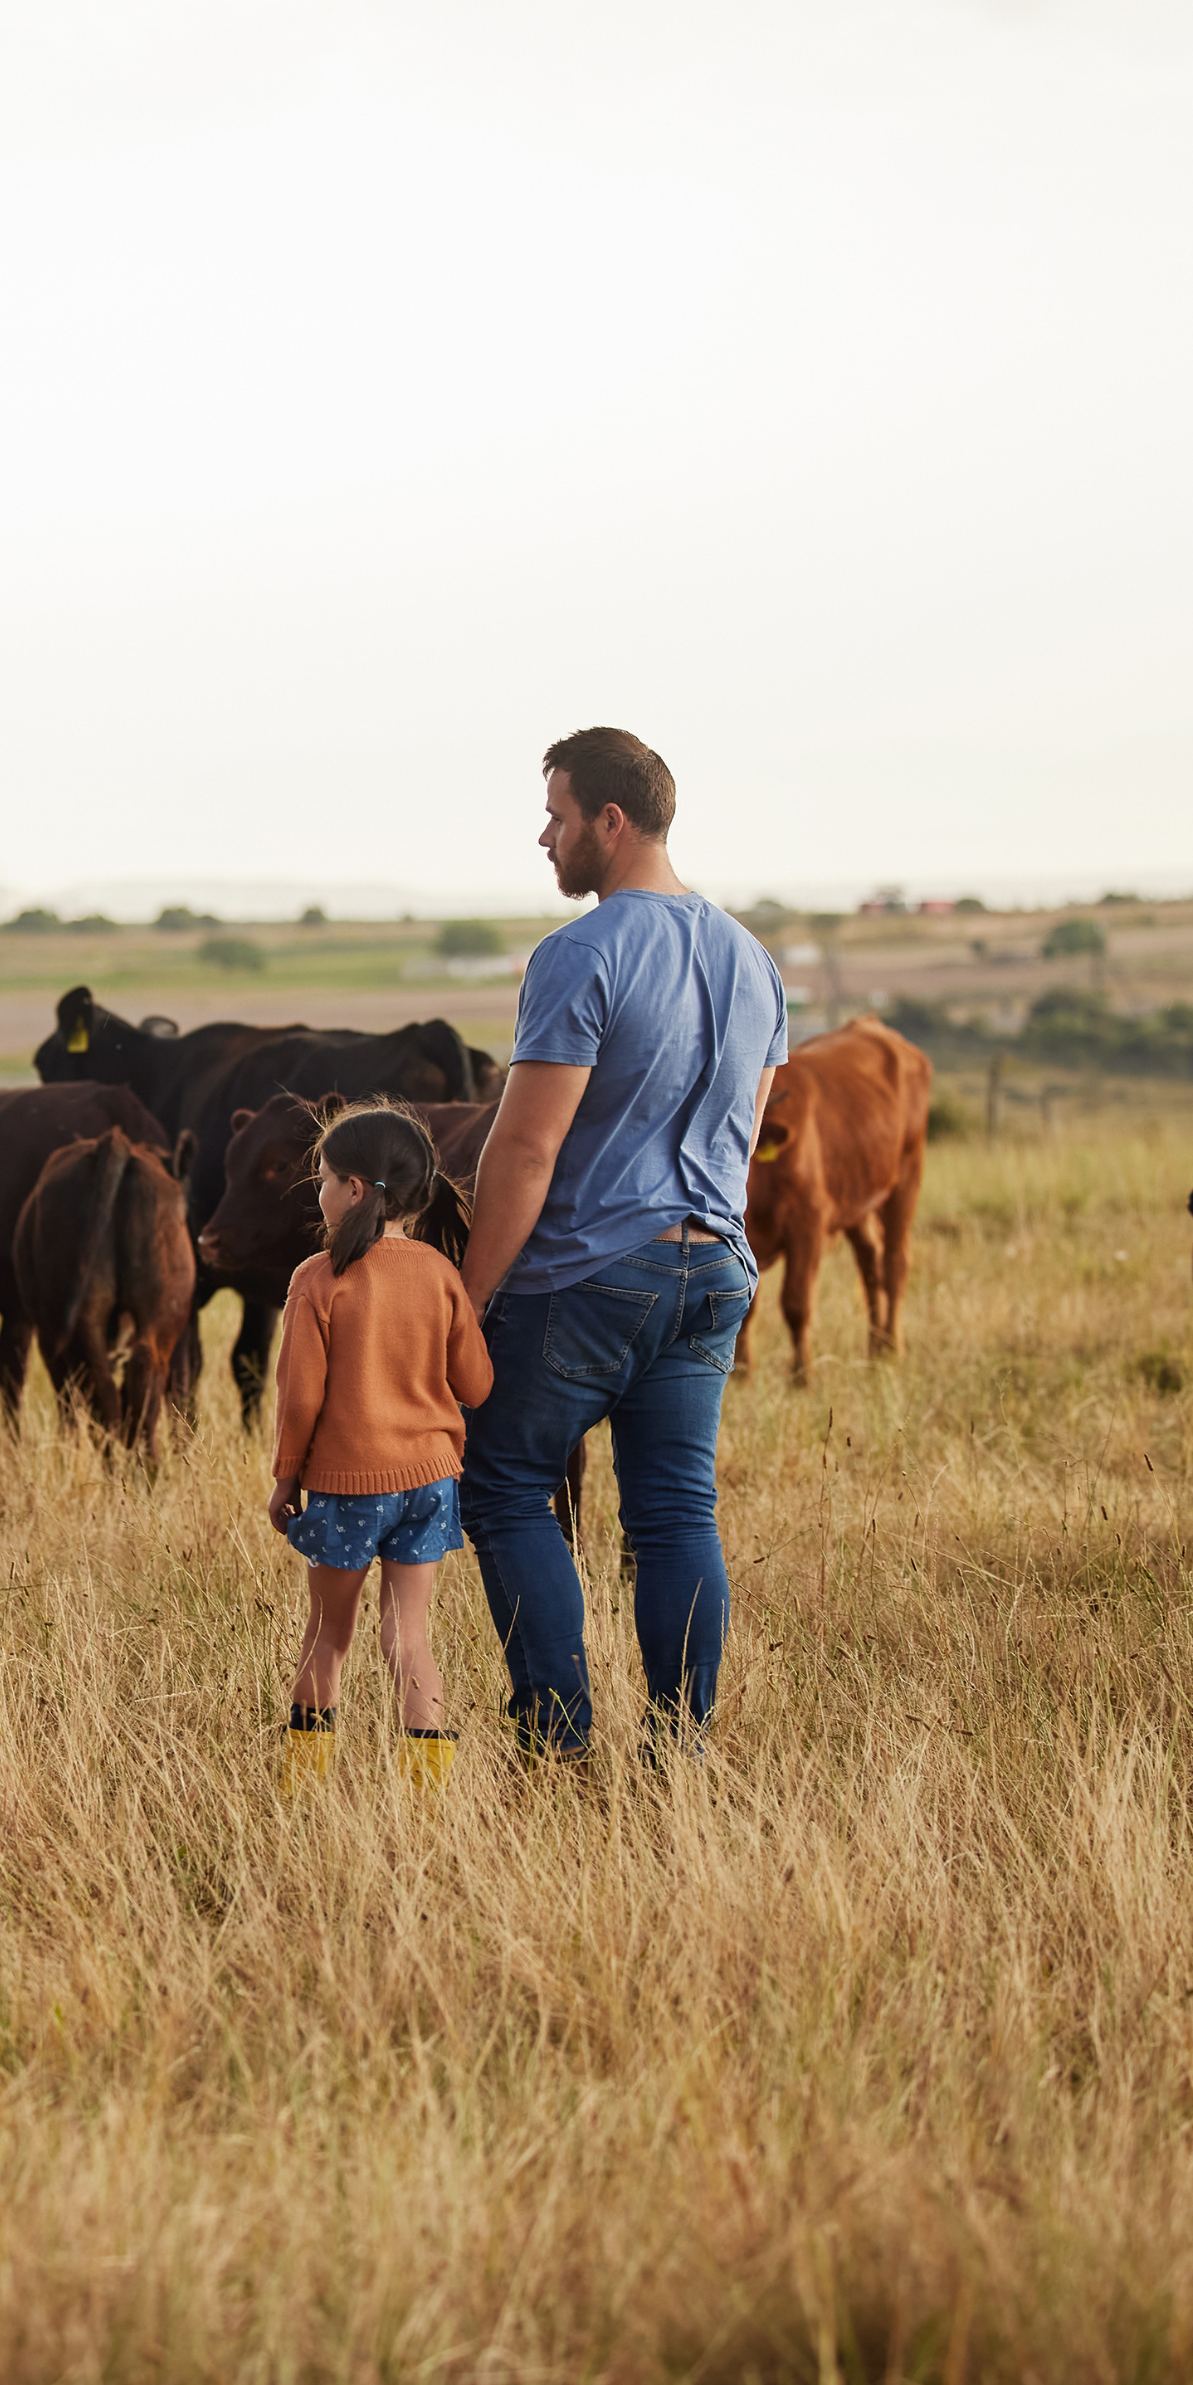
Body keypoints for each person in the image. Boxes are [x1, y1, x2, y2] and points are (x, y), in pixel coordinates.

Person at [458, 726, 790, 1761]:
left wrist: (460, 1305)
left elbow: (522, 1153)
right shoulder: (753, 959)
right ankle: (679, 1747)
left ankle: (555, 1740)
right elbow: (743, 1132)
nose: (542, 836)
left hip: (591, 1273)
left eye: (556, 815)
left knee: (505, 1485)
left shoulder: (580, 954)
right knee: (675, 1512)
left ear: (610, 821)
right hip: (714, 1268)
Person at [266, 1103, 494, 1790]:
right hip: (430, 1483)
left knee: (328, 1637)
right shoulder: (437, 1273)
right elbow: (477, 1387)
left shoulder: (317, 1277)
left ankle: (302, 1788)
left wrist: (285, 1480)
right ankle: (426, 1793)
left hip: (348, 1485)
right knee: (408, 1637)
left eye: (325, 1177)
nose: (319, 1191)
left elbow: (300, 1399)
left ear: (356, 1189)